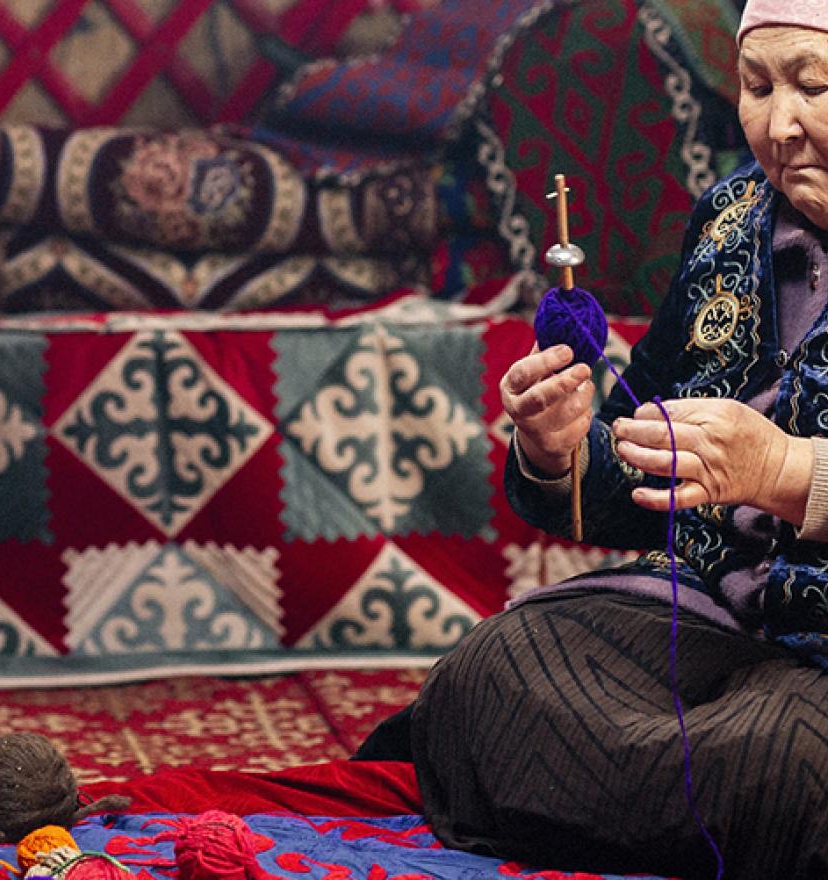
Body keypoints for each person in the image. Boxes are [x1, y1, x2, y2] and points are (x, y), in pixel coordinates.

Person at [355, 2, 828, 878]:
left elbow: (767, 467)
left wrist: (787, 470)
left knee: (797, 756)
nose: (779, 124)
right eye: (758, 87)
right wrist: (563, 445)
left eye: (813, 85)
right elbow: (638, 453)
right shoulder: (731, 219)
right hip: (716, 620)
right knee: (490, 679)